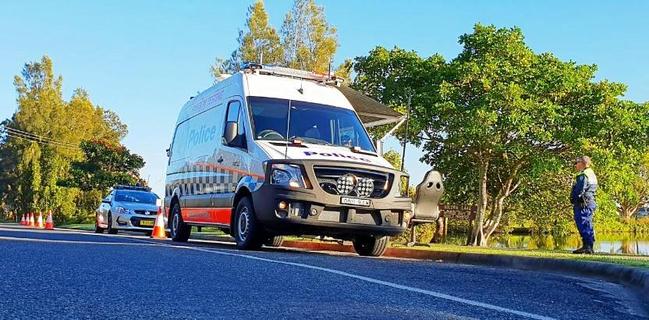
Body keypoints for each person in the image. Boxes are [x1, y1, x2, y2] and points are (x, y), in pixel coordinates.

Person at [570, 156, 598, 254]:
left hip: (583, 203)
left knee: (583, 223)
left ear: (582, 163)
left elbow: (580, 190)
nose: (575, 165)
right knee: (587, 223)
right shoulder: (591, 173)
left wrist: (574, 199)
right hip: (589, 202)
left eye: (576, 162)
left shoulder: (583, 175)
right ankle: (588, 246)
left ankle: (587, 247)